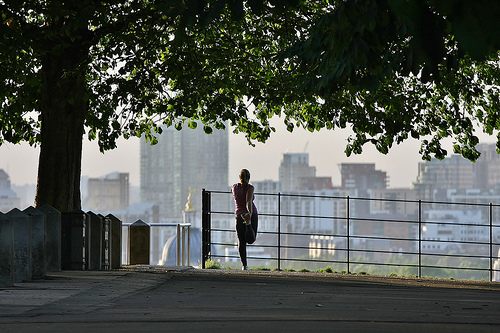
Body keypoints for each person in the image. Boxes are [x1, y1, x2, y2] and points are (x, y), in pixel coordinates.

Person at [232, 169, 258, 270]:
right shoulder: (250, 188)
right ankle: (248, 223)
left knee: (241, 241)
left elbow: (236, 194)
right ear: (249, 178)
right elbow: (248, 201)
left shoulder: (234, 187)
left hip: (238, 215)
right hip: (250, 214)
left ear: (240, 178)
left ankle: (244, 265)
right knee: (251, 239)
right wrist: (250, 214)